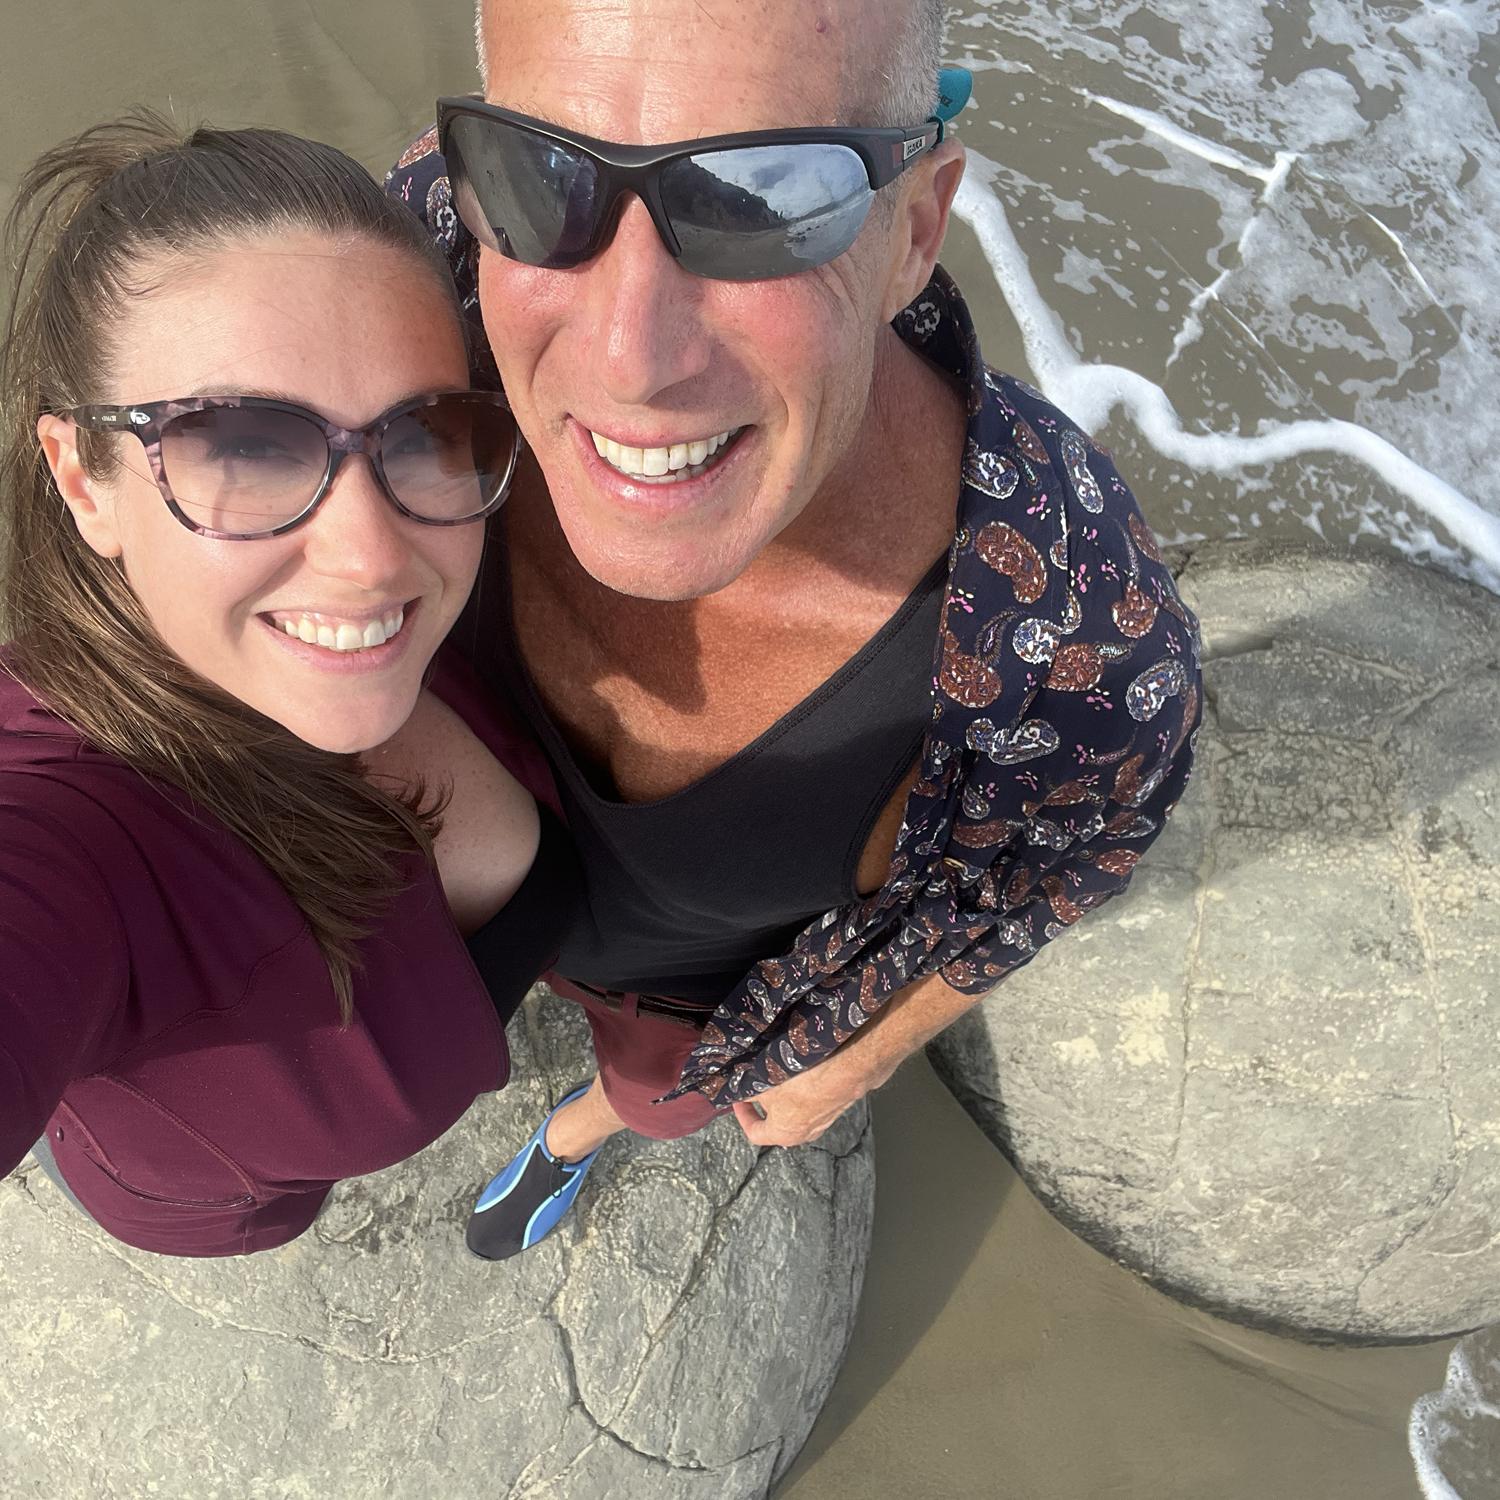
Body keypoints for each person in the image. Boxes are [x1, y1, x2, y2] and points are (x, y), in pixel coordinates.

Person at [386, 0, 1203, 1262]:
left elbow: (1060, 861)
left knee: (661, 1097)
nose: (629, 357)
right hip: (444, 889)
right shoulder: (424, 261)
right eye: (547, 174)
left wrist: (858, 1052)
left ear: (914, 232)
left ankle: (572, 1137)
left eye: (763, 201)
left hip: (681, 998)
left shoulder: (1065, 632)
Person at [0, 113, 580, 1258]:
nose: (372, 553)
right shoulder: (75, 823)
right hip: (211, 1193)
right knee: (269, 1211)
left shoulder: (487, 525)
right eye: (246, 443)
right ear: (84, 478)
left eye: (424, 430)